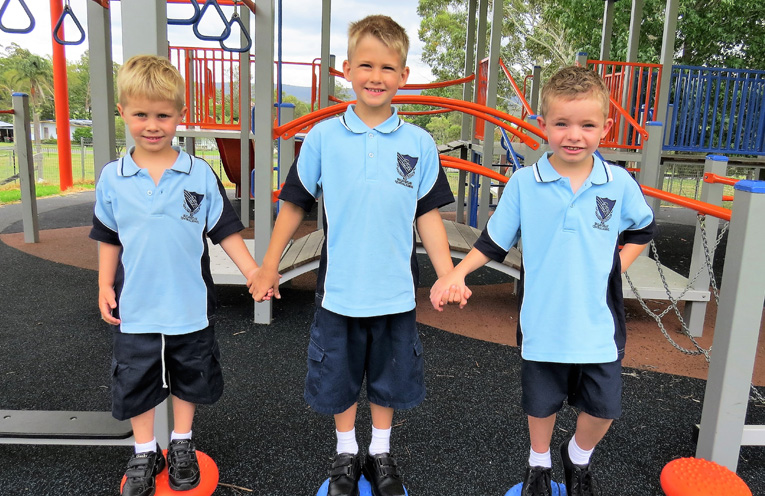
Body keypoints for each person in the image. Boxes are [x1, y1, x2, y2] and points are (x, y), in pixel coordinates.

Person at [249, 15, 463, 496]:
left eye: (388, 67)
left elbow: (428, 214)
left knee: (390, 380)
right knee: (339, 379)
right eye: (365, 64)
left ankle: (381, 452)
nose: (375, 76)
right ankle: (347, 452)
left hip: (395, 293)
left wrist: (446, 273)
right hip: (339, 292)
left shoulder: (419, 143)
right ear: (346, 68)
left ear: (404, 76)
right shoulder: (324, 138)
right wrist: (268, 263)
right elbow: (295, 203)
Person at [430, 65, 656, 496]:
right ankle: (539, 463)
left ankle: (578, 456)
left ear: (605, 129)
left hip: (597, 323)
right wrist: (457, 272)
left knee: (605, 406)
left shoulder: (618, 184)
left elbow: (642, 230)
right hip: (543, 320)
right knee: (540, 402)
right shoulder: (524, 184)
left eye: (587, 125)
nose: (575, 135)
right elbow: (493, 242)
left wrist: (617, 266)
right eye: (562, 123)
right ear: (542, 125)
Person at [90, 55, 265, 496]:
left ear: (179, 115)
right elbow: (108, 235)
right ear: (123, 113)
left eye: (163, 115)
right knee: (136, 379)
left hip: (189, 304)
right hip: (137, 305)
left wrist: (252, 272)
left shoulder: (199, 174)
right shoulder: (114, 179)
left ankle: (181, 444)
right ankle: (146, 450)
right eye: (141, 114)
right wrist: (104, 284)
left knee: (190, 374)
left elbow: (225, 230)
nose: (153, 125)